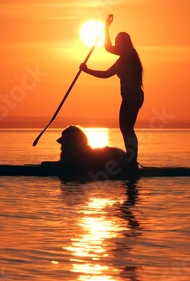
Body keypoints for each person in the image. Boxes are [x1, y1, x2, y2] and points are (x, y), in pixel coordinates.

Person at [79, 14, 144, 169]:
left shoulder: (127, 57)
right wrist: (107, 28)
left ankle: (132, 160)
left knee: (126, 127)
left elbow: (106, 74)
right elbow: (108, 48)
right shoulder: (127, 55)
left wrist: (86, 70)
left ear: (123, 44)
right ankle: (131, 159)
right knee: (126, 127)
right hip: (132, 97)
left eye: (117, 43)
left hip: (132, 98)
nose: (115, 46)